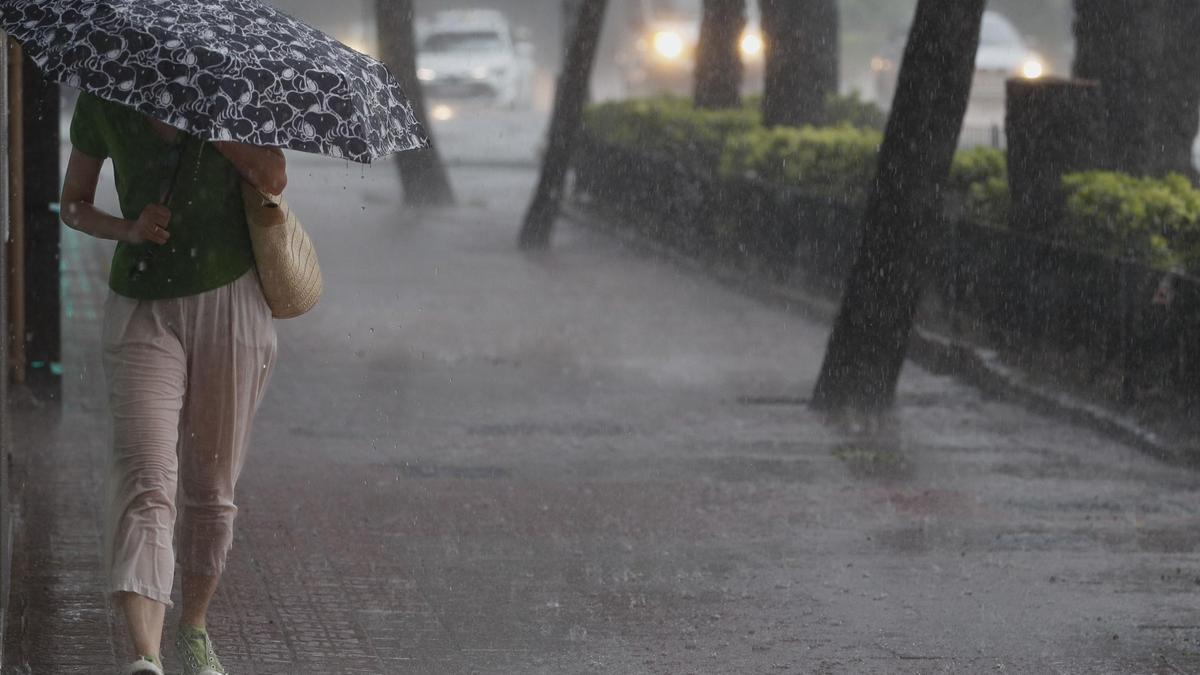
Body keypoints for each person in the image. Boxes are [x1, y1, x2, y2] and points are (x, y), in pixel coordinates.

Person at [59, 91, 287, 675]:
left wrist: (211, 123)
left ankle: (194, 628)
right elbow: (74, 206)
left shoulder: (234, 91)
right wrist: (128, 228)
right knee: (146, 474)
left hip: (230, 300)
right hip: (142, 308)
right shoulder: (105, 99)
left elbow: (273, 175)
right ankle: (146, 655)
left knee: (212, 486)